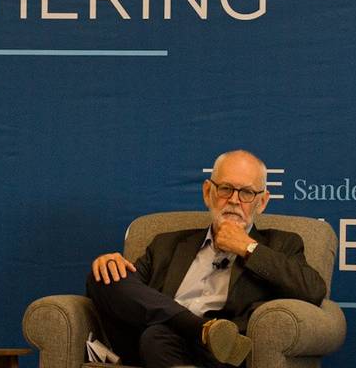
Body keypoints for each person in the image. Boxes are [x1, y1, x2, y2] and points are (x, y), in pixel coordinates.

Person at [85, 150, 326, 368]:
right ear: (208, 193)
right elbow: (133, 296)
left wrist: (248, 247)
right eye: (225, 189)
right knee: (103, 277)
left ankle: (205, 333)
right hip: (154, 338)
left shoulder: (281, 244)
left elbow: (313, 290)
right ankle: (201, 328)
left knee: (155, 337)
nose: (233, 200)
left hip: (220, 354)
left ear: (261, 202)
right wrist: (111, 266)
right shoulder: (165, 244)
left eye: (246, 193)